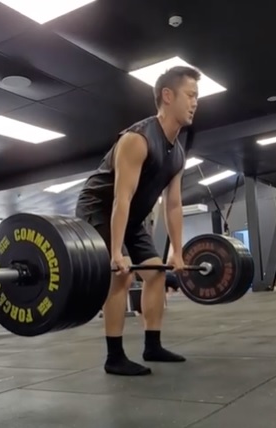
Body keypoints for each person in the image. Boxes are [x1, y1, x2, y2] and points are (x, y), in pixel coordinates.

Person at [76, 66, 200, 376]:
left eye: (197, 97)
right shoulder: (138, 138)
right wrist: (116, 253)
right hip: (100, 207)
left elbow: (173, 205)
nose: (195, 103)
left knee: (156, 273)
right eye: (190, 95)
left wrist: (178, 251)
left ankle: (152, 346)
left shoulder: (178, 154)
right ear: (167, 96)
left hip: (131, 216)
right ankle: (114, 357)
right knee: (121, 276)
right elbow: (122, 198)